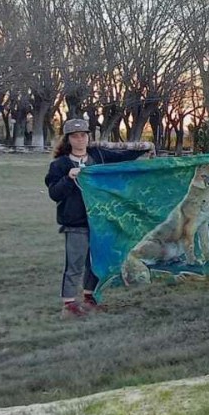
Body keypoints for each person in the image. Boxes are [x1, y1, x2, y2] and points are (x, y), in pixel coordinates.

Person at [44, 119, 151, 318]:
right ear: (68, 139)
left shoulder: (98, 156)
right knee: (74, 264)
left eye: (83, 135)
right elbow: (54, 193)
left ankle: (89, 298)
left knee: (95, 262)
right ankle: (68, 305)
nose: (80, 139)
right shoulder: (59, 165)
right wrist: (69, 178)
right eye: (75, 136)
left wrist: (143, 149)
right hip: (75, 223)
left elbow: (122, 157)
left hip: (100, 221)